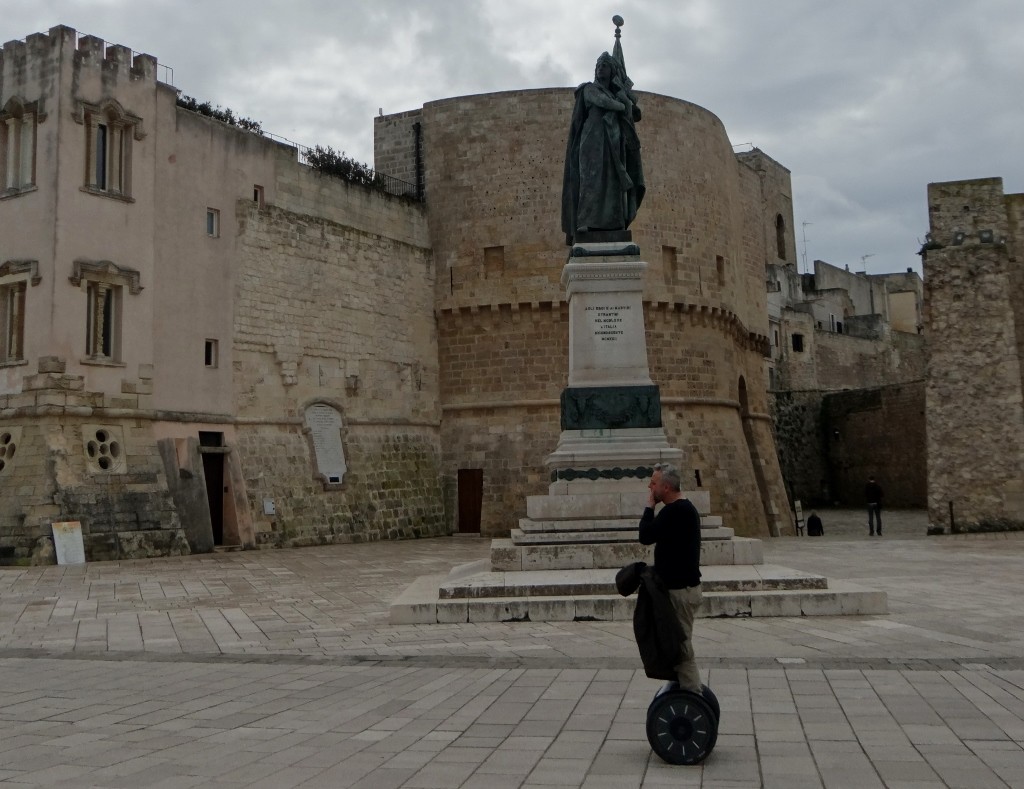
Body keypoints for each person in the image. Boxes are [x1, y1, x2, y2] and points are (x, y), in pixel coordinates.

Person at [561, 51, 645, 245]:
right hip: (592, 140)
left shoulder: (614, 93)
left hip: (613, 142)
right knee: (591, 180)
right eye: (598, 66)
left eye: (604, 66)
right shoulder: (589, 89)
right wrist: (621, 102)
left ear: (612, 71)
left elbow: (633, 114)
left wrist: (624, 97)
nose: (600, 69)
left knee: (612, 181)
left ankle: (613, 223)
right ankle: (586, 222)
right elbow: (604, 103)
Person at [638, 462, 702, 692]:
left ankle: (693, 700)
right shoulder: (682, 510)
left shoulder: (676, 512)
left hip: (680, 592)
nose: (649, 487)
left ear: (665, 487)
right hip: (680, 589)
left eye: (653, 483)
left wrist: (648, 507)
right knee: (676, 645)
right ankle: (682, 694)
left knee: (683, 649)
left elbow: (645, 535)